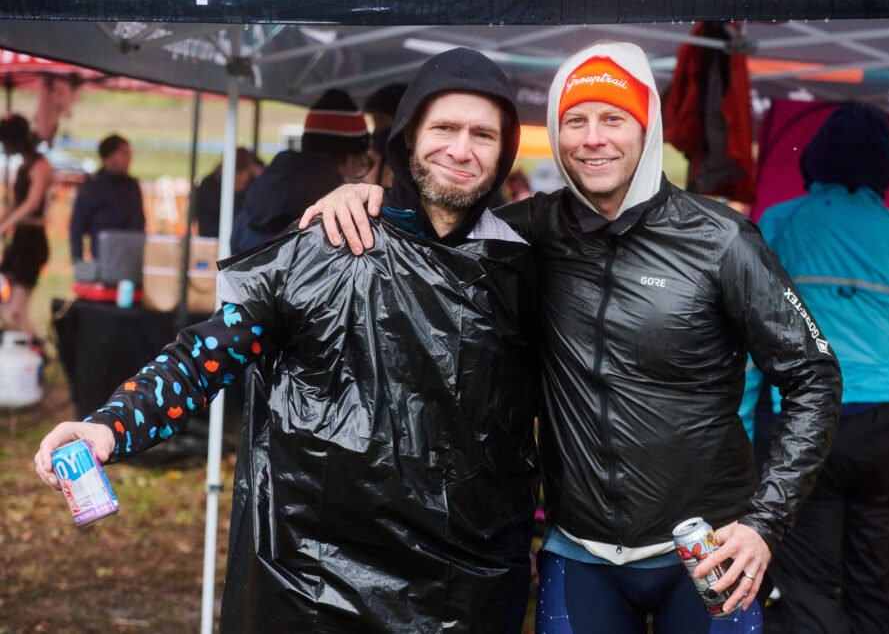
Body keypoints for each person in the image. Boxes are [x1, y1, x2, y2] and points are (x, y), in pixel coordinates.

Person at [301, 42, 843, 633]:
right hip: (581, 554)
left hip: (708, 550)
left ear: (647, 130)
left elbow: (813, 377)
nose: (592, 139)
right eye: (575, 121)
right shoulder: (528, 231)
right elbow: (436, 228)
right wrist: (358, 197)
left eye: (613, 119)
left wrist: (765, 523)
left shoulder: (722, 241)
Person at [35, 48, 539, 633]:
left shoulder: (524, 268)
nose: (461, 149)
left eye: (483, 134)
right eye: (444, 128)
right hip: (313, 585)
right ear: (407, 138)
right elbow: (205, 355)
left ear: (505, 150)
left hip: (460, 595)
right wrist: (111, 426)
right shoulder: (330, 243)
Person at [741, 104, 889, 634]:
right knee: (874, 596)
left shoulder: (780, 222)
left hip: (802, 425)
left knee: (809, 593)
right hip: (888, 428)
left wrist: (743, 423)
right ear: (886, 166)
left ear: (816, 157)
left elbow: (753, 333)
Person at [230, 88, 372, 253]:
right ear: (349, 158)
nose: (359, 173)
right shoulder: (335, 205)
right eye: (361, 164)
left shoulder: (260, 190)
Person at [0, 113, 53, 337]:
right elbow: (14, 204)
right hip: (20, 239)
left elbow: (32, 203)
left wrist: (5, 227)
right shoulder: (23, 167)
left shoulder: (40, 166)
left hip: (32, 239)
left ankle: (37, 349)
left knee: (15, 313)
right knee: (7, 308)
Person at [69, 134, 145, 262]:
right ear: (109, 157)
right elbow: (77, 227)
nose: (129, 159)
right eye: (124, 154)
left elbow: (140, 223)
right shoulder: (92, 187)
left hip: (131, 259)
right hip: (104, 260)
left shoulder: (131, 186)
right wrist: (78, 261)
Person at [193, 146, 257, 238]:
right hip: (214, 238)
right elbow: (202, 220)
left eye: (242, 182)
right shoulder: (208, 186)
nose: (239, 186)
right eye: (236, 181)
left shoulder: (255, 187)